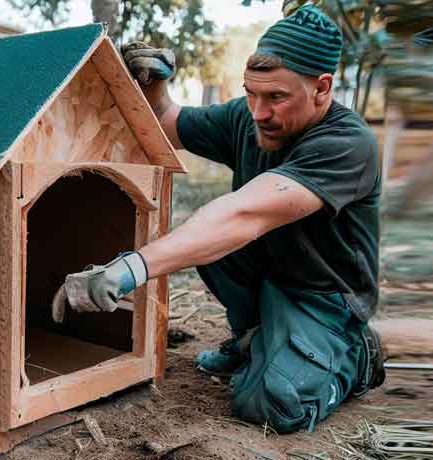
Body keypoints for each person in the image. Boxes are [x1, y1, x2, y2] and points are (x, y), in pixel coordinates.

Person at [51, 3, 385, 433]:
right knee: (204, 241)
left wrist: (129, 269)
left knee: (273, 404)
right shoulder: (248, 117)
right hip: (272, 273)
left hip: (323, 298)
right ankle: (254, 339)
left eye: (276, 98)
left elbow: (244, 216)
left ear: (322, 89)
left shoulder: (348, 145)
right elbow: (168, 122)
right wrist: (155, 85)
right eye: (251, 92)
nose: (259, 112)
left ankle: (355, 357)